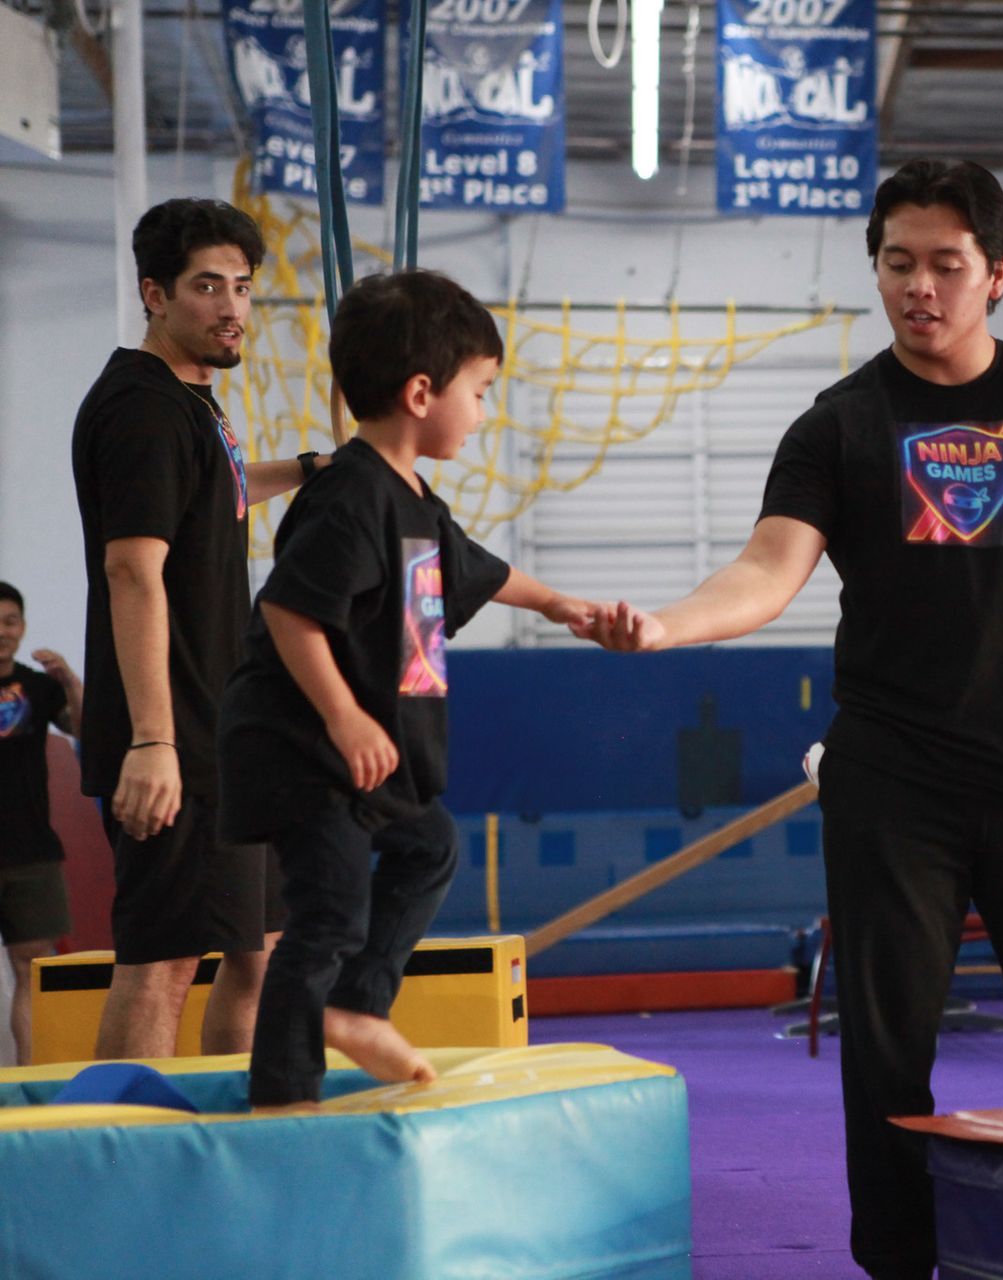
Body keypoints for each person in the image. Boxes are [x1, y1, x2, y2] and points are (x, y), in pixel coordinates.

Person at [619, 159, 1003, 1279]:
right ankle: (902, 1263)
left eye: (947, 265)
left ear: (997, 274)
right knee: (886, 1052)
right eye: (898, 263)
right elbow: (768, 568)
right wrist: (669, 625)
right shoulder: (838, 426)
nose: (920, 286)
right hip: (894, 784)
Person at [217, 269, 642, 1107]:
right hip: (306, 750)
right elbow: (291, 612)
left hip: (359, 757)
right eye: (478, 393)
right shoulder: (349, 495)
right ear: (421, 394)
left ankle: (355, 1006)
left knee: (429, 846)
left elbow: (477, 570)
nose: (483, 413)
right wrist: (344, 717)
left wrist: (560, 604)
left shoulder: (414, 500)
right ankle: (283, 1095)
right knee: (327, 914)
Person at [71, 197, 332, 1061]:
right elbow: (131, 570)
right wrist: (154, 742)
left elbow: (219, 488)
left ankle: (236, 1125)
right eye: (207, 287)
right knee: (164, 964)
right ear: (154, 294)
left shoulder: (192, 405)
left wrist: (313, 469)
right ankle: (119, 1140)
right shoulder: (142, 409)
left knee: (259, 955)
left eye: (242, 287)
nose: (231, 308)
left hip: (222, 730)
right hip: (172, 734)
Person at [0, 582, 85, 1065]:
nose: (2, 631)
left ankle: (31, 1081)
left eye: (10, 621)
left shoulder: (40, 687)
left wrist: (70, 680)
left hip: (31, 853)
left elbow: (89, 733)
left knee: (33, 970)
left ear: (23, 627)